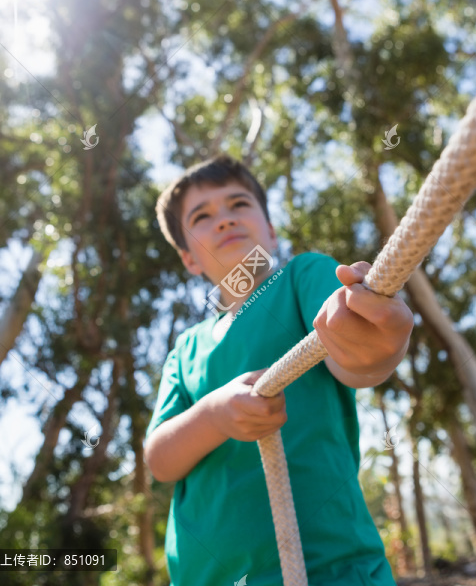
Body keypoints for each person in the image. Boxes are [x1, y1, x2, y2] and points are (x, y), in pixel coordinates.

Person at [143, 154, 414, 586]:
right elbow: (161, 460)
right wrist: (213, 415)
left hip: (329, 569)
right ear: (189, 259)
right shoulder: (185, 349)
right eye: (203, 216)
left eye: (238, 204)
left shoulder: (303, 277)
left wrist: (376, 339)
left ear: (270, 229)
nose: (225, 220)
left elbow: (354, 351)